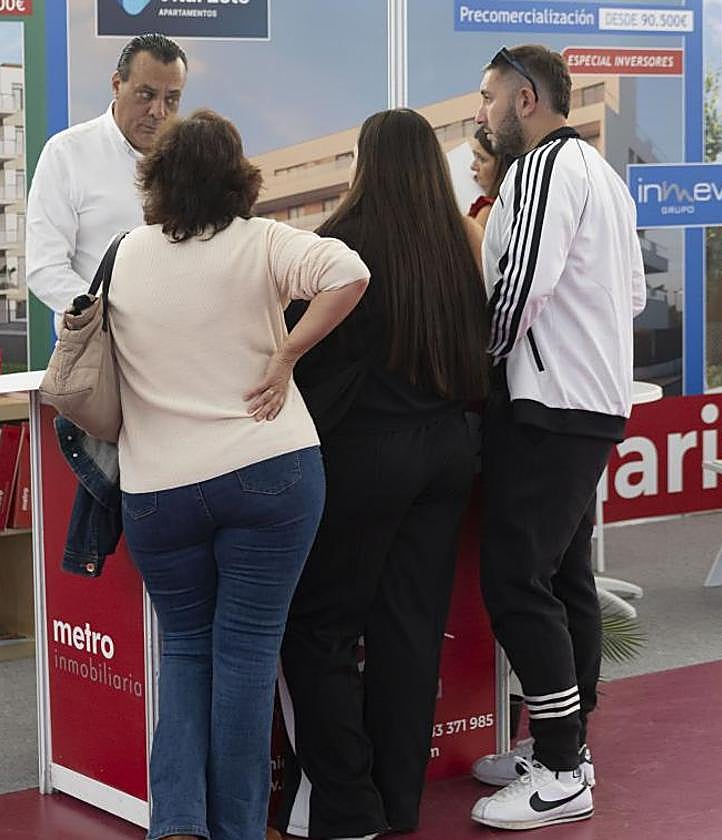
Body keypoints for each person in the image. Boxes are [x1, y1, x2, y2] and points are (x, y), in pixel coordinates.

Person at [108, 109, 370, 840]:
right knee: (248, 657)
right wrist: (286, 355)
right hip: (269, 470)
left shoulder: (124, 255)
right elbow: (349, 273)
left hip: (158, 488)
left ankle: (177, 825)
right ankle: (238, 831)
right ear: (238, 178)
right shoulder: (263, 242)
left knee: (185, 652)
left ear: (157, 179)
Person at [271, 109, 490, 840]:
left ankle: (346, 806)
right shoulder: (460, 240)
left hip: (365, 456)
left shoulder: (338, 243)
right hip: (449, 451)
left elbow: (296, 346)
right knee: (410, 631)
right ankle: (397, 802)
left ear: (364, 163)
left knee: (319, 626)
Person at [468, 45, 646, 831]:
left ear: (526, 98)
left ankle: (563, 772)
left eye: (488, 97)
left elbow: (518, 288)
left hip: (547, 405)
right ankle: (565, 747)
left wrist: (478, 367)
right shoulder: (603, 175)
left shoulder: (541, 168)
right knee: (566, 577)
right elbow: (632, 295)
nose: (482, 112)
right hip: (588, 404)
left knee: (517, 581)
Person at [26, 33, 188, 332]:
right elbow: (45, 269)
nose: (159, 111)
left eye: (171, 99)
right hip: (101, 344)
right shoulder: (67, 153)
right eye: (146, 95)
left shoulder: (190, 160)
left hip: (180, 342)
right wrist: (113, 316)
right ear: (116, 84)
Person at [466, 127, 511, 231]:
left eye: (481, 159)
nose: (473, 166)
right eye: (475, 157)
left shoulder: (488, 210)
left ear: (501, 166)